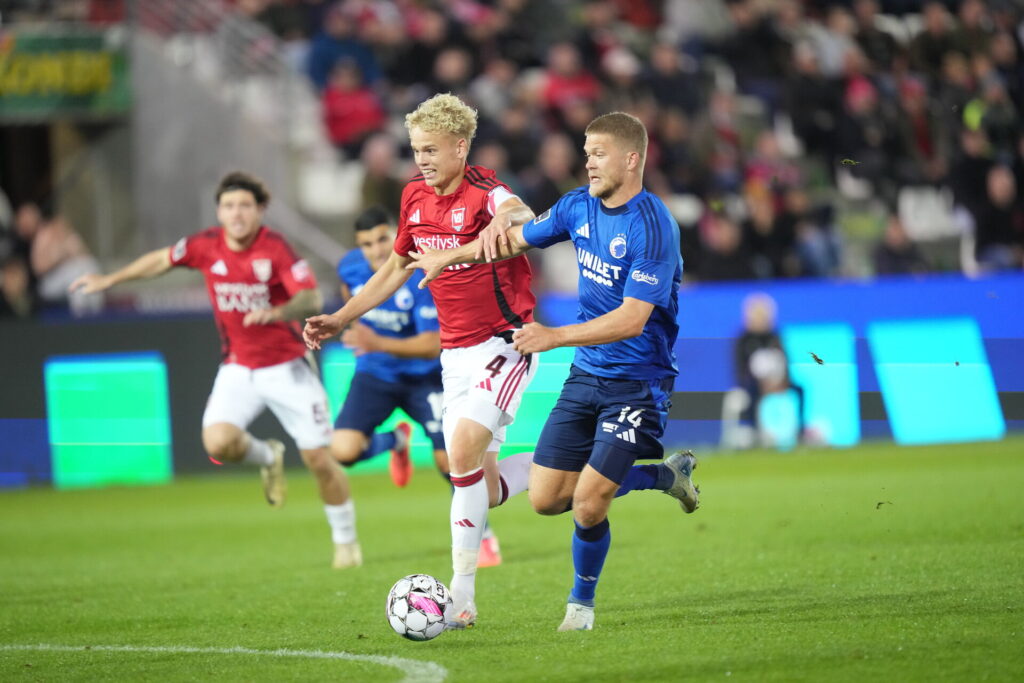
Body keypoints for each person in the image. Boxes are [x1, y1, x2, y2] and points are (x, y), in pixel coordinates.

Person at [407, 111, 700, 632]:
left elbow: (634, 319)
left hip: (638, 380)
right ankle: (662, 475)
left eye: (599, 152)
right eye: (585, 150)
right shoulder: (576, 207)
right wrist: (454, 254)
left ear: (631, 159)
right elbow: (514, 239)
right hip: (586, 375)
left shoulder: (653, 226)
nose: (587, 160)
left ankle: (580, 606)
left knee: (588, 504)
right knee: (546, 500)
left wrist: (554, 337)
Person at [303, 93, 539, 628]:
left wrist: (507, 217)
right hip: (454, 358)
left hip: (505, 343)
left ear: (460, 147)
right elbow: (393, 270)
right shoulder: (413, 197)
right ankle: (557, 457)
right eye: (415, 150)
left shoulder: (484, 189)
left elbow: (516, 209)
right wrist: (341, 317)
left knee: (457, 458)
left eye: (432, 149)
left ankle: (461, 596)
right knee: (484, 483)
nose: (423, 160)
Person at [69, 172, 362, 569]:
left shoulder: (275, 248)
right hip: (238, 366)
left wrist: (277, 311)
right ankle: (266, 456)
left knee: (319, 462)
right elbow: (161, 259)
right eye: (228, 206)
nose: (236, 213)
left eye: (244, 205)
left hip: (286, 365)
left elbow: (309, 295)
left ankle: (346, 542)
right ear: (219, 212)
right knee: (218, 444)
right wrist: (111, 279)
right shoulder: (205, 245)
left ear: (259, 210)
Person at [330, 205, 503, 567]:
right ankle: (396, 441)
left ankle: (483, 537)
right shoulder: (349, 267)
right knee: (343, 450)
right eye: (367, 244)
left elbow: (432, 342)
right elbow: (350, 294)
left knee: (450, 460)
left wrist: (377, 342)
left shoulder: (421, 270)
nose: (376, 250)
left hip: (424, 376)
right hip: (375, 375)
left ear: (394, 233)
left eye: (382, 239)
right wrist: (370, 346)